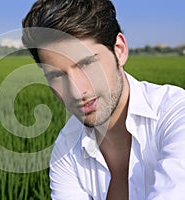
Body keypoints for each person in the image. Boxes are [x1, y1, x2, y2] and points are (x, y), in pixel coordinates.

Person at [21, 0, 185, 199]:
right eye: (56, 76)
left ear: (119, 49)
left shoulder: (176, 114)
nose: (76, 91)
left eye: (87, 63)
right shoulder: (66, 150)